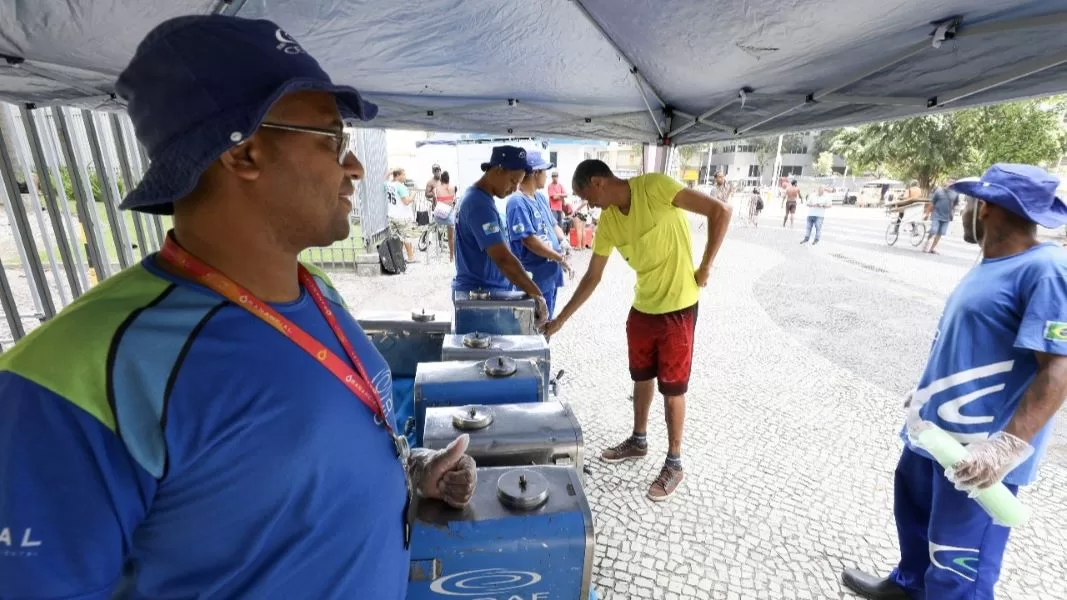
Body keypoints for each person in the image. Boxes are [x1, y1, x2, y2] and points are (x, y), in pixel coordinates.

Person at [0, 15, 477, 600]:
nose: (352, 167)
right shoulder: (74, 374)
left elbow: (291, 473)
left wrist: (412, 471)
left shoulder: (317, 294)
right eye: (332, 140)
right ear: (245, 152)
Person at [842, 164, 1067, 600]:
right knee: (916, 531)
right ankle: (905, 589)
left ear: (985, 207)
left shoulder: (1046, 269)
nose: (961, 209)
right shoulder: (991, 264)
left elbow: (1058, 368)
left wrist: (1005, 448)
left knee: (957, 568)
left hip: (976, 458)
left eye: (968, 201)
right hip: (935, 438)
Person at [544, 160, 731, 501]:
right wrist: (560, 321)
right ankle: (639, 440)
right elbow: (592, 277)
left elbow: (720, 211)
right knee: (641, 376)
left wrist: (705, 266)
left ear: (598, 181)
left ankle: (674, 462)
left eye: (586, 194)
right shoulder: (610, 222)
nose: (588, 204)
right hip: (643, 308)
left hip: (678, 307)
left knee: (673, 389)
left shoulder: (655, 187)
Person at [452, 145, 549, 324]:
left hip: (486, 292)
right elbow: (503, 259)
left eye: (518, 183)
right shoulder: (478, 204)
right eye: (512, 181)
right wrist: (537, 295)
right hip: (479, 298)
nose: (514, 189)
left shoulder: (480, 199)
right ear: (498, 170)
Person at [505, 151, 572, 317]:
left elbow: (553, 223)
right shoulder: (517, 202)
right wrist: (558, 257)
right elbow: (529, 241)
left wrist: (563, 241)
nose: (547, 176)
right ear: (535, 173)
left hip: (550, 276)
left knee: (547, 321)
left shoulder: (540, 197)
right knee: (533, 327)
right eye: (544, 172)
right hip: (534, 280)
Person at [386, 167, 417, 262]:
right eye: (403, 174)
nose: (405, 176)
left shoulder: (389, 185)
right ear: (398, 175)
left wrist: (389, 173)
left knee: (397, 238)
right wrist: (413, 194)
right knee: (406, 237)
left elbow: (383, 181)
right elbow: (406, 201)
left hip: (392, 215)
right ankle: (410, 258)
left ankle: (398, 258)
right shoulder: (401, 187)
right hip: (402, 216)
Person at [923, 177, 959, 254]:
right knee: (934, 230)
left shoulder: (956, 194)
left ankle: (932, 248)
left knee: (940, 233)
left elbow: (955, 204)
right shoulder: (939, 191)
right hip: (936, 214)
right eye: (950, 181)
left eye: (953, 182)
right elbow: (932, 203)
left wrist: (952, 212)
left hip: (947, 217)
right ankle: (926, 242)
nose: (951, 183)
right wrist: (927, 214)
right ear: (947, 182)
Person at [431, 171, 458, 262]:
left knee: (439, 227)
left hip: (438, 216)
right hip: (449, 215)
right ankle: (451, 257)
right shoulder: (452, 187)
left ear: (441, 179)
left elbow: (435, 203)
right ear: (448, 179)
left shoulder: (436, 189)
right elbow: (454, 201)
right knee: (451, 237)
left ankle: (438, 251)